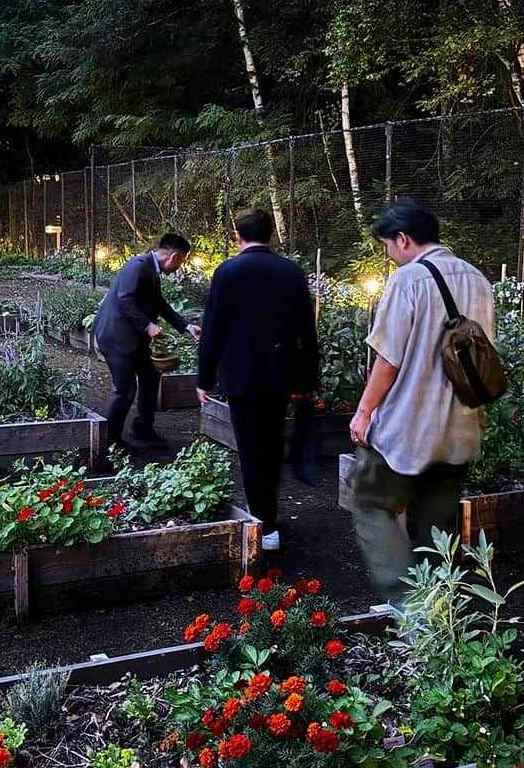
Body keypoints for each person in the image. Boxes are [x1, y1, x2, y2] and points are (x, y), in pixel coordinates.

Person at [347, 198, 495, 603]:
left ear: (403, 239)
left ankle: (411, 609)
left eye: (388, 247)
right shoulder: (478, 279)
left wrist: (364, 413)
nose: (390, 257)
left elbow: (388, 359)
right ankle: (442, 612)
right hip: (461, 424)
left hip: (407, 426)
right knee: (437, 524)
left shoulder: (408, 280)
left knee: (371, 504)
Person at [196, 209, 319, 551]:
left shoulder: (228, 271)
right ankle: (268, 516)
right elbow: (305, 330)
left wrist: (204, 377)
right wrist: (310, 377)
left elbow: (213, 330)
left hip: (241, 377)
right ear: (270, 236)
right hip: (280, 375)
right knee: (272, 442)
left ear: (238, 236)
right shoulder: (291, 271)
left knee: (251, 450)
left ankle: (264, 524)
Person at [93, 233, 201, 451]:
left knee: (151, 376)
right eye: (181, 261)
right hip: (115, 338)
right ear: (174, 256)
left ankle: (142, 429)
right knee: (125, 390)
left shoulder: (151, 269)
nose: (179, 267)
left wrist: (187, 326)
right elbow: (125, 299)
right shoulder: (137, 266)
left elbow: (159, 303)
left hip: (133, 338)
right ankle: (109, 444)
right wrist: (148, 326)